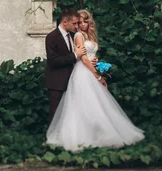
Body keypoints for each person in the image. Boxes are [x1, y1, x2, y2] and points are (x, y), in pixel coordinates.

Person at [46, 9, 144, 152]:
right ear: (66, 22)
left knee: (93, 104)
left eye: (84, 21)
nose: (80, 25)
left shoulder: (78, 34)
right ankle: (67, 139)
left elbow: (84, 56)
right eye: (78, 22)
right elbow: (80, 58)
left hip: (82, 71)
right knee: (77, 106)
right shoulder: (74, 35)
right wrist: (97, 75)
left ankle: (95, 134)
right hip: (78, 73)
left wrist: (94, 61)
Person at [44, 8, 87, 122]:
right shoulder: (52, 37)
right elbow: (53, 61)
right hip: (57, 81)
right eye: (74, 23)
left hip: (71, 80)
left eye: (78, 23)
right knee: (56, 112)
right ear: (64, 22)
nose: (77, 26)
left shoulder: (72, 36)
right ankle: (53, 137)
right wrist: (74, 55)